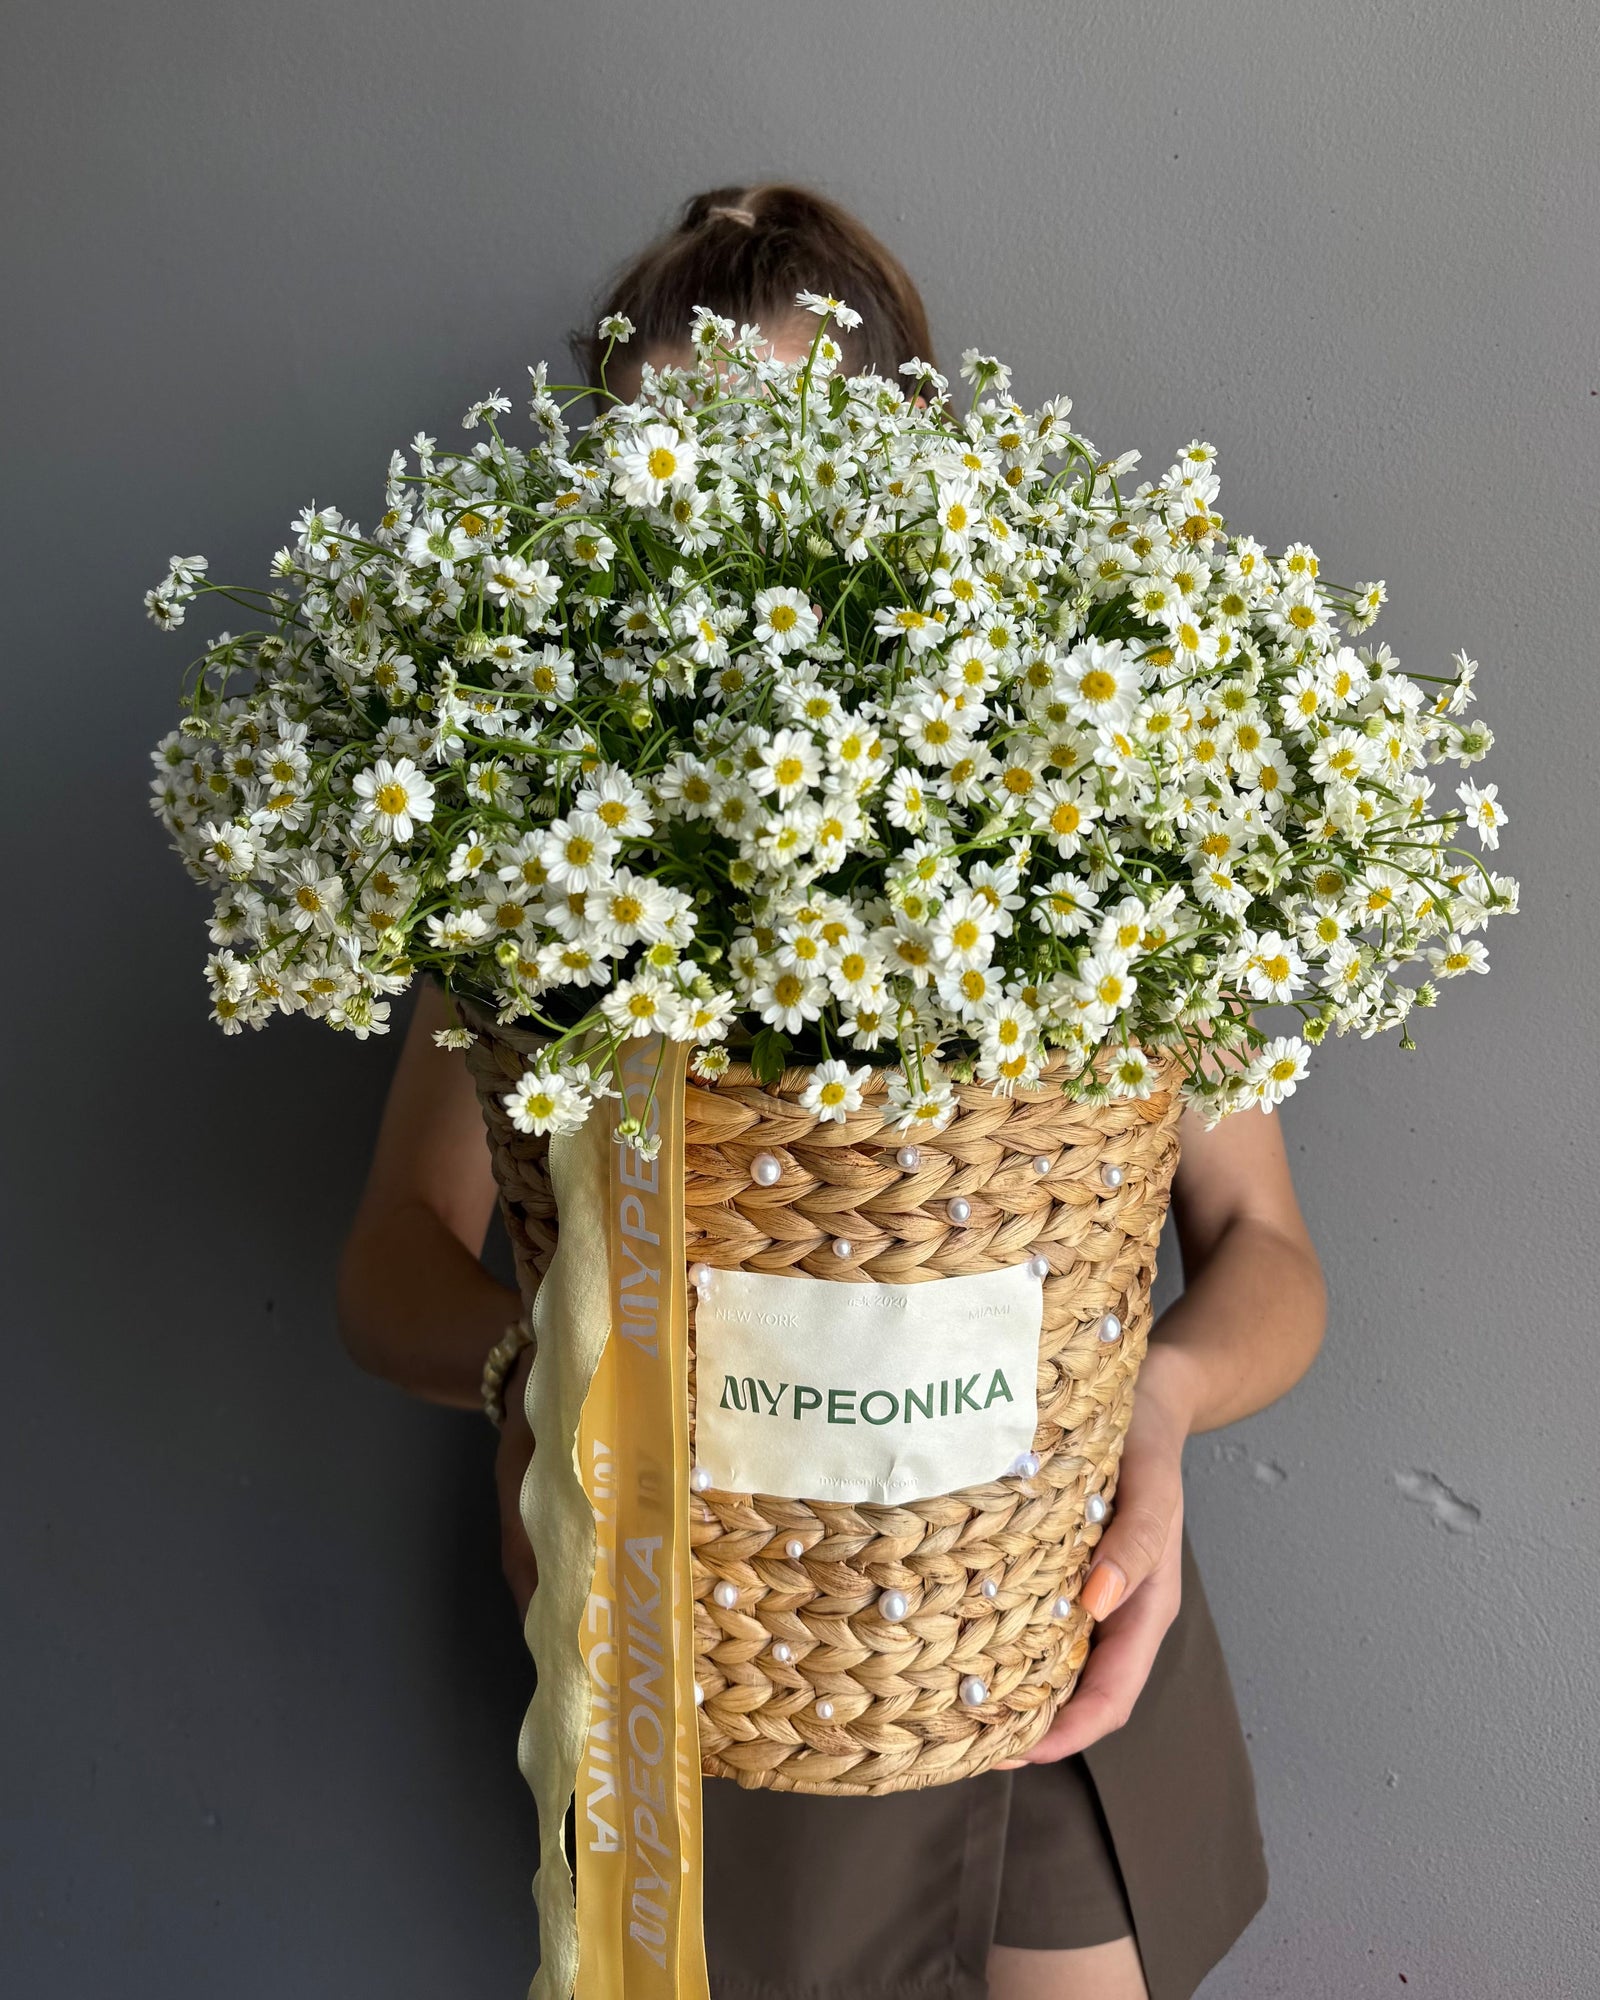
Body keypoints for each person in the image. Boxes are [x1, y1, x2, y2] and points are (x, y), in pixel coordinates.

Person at [336, 182, 1328, 2000]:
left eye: (780, 465)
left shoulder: (1088, 830)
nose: (719, 542)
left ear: (912, 477)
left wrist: (1162, 1415)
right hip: (713, 1663)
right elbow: (393, 1252)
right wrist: (532, 1380)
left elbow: (1265, 1244)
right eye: (666, 479)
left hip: (1045, 1619)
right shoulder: (546, 861)